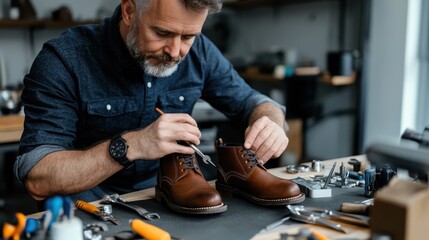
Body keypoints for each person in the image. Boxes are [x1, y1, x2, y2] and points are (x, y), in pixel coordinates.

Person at [14, 0, 299, 209]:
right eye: (162, 33)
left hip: (175, 197)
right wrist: (134, 145)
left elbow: (255, 102)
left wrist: (271, 121)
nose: (175, 52)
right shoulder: (65, 60)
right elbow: (38, 177)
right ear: (129, 11)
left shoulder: (199, 52)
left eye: (188, 37)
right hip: (91, 205)